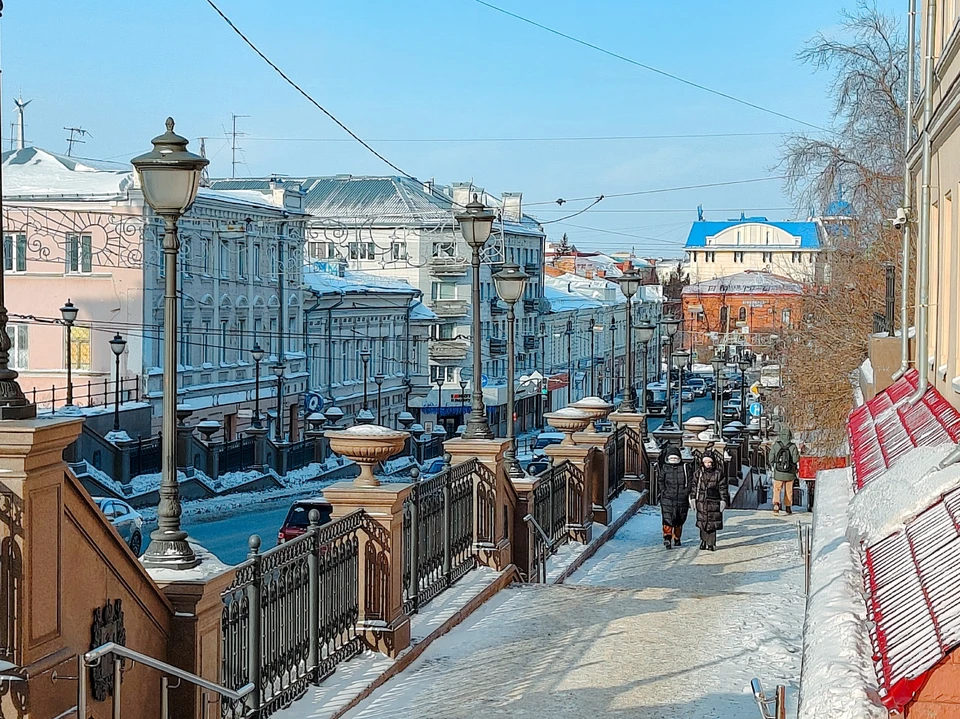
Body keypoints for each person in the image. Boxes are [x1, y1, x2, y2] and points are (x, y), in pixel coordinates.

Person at [691, 451, 730, 551]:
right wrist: (692, 498)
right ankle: (703, 541)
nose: (708, 464)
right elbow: (694, 487)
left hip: (714, 501)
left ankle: (711, 543)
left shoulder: (718, 473)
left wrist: (723, 500)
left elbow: (723, 488)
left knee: (712, 524)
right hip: (701, 501)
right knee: (702, 523)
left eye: (709, 462)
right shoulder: (698, 473)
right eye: (706, 462)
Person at [658, 445, 691, 549]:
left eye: (675, 458)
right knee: (667, 518)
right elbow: (660, 480)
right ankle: (667, 538)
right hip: (667, 498)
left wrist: (686, 492)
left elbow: (690, 481)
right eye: (671, 458)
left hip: (681, 498)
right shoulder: (665, 468)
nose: (673, 460)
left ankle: (677, 537)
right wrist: (664, 491)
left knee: (679, 519)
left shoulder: (685, 467)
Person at [768, 423, 800, 515]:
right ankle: (788, 506)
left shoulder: (776, 445)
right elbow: (795, 459)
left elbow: (771, 458)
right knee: (788, 490)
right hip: (790, 472)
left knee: (777, 488)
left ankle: (776, 504)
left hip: (778, 471)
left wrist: (773, 464)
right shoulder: (792, 446)